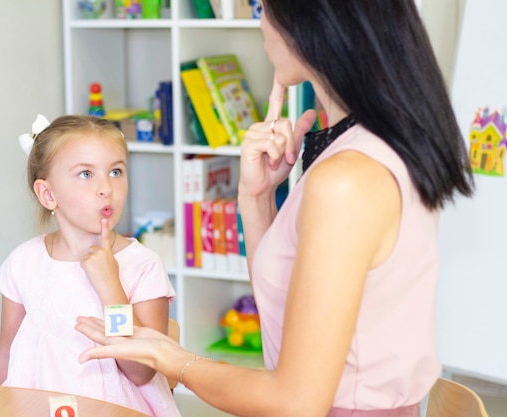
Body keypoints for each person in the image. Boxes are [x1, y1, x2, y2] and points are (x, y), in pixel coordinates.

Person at [74, 1, 475, 416]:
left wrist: (174, 358)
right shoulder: (373, 147)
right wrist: (257, 197)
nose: (260, 18)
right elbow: (286, 321)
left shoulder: (347, 180)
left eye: (264, 6)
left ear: (312, 21)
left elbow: (295, 401)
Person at [0, 114, 180, 417]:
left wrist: (110, 285)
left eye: (116, 171)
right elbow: (5, 352)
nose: (106, 187)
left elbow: (141, 372)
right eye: (86, 174)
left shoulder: (142, 265)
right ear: (48, 194)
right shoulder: (23, 263)